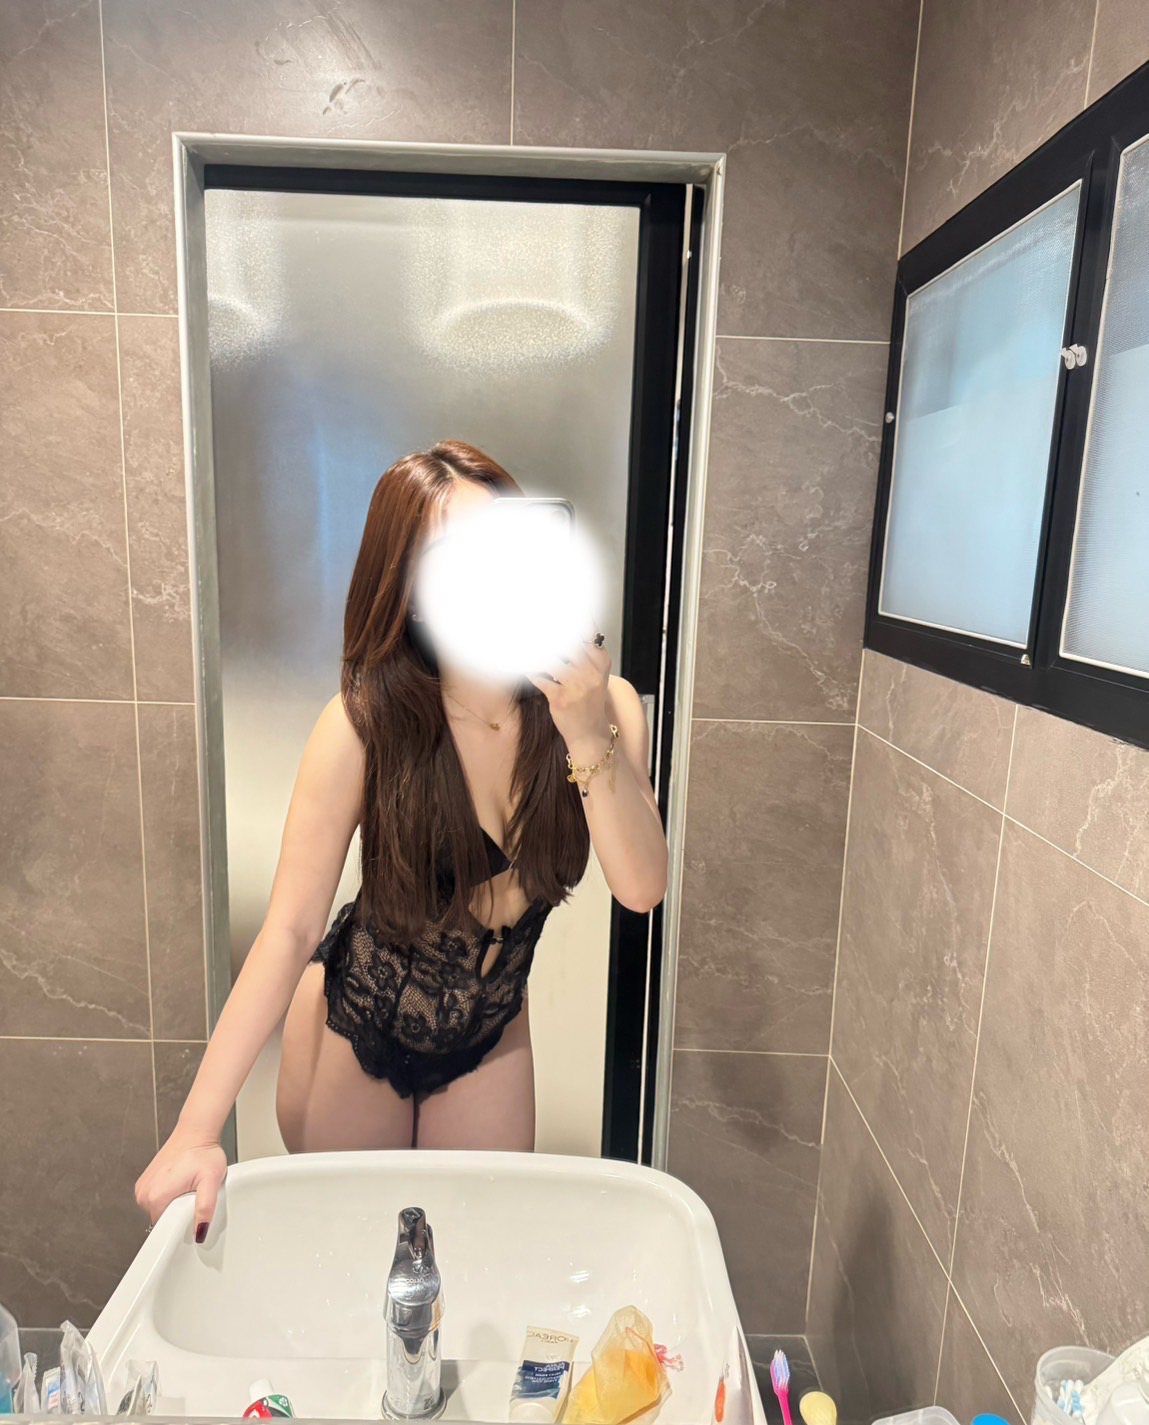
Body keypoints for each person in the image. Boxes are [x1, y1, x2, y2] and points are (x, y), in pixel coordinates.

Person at [135, 440, 669, 1239]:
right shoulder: (363, 726)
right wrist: (195, 1130)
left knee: (471, 1251)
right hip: (362, 1020)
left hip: (492, 1024)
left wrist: (586, 730)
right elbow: (289, 927)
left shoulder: (606, 707)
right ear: (413, 594)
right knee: (353, 1255)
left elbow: (641, 886)